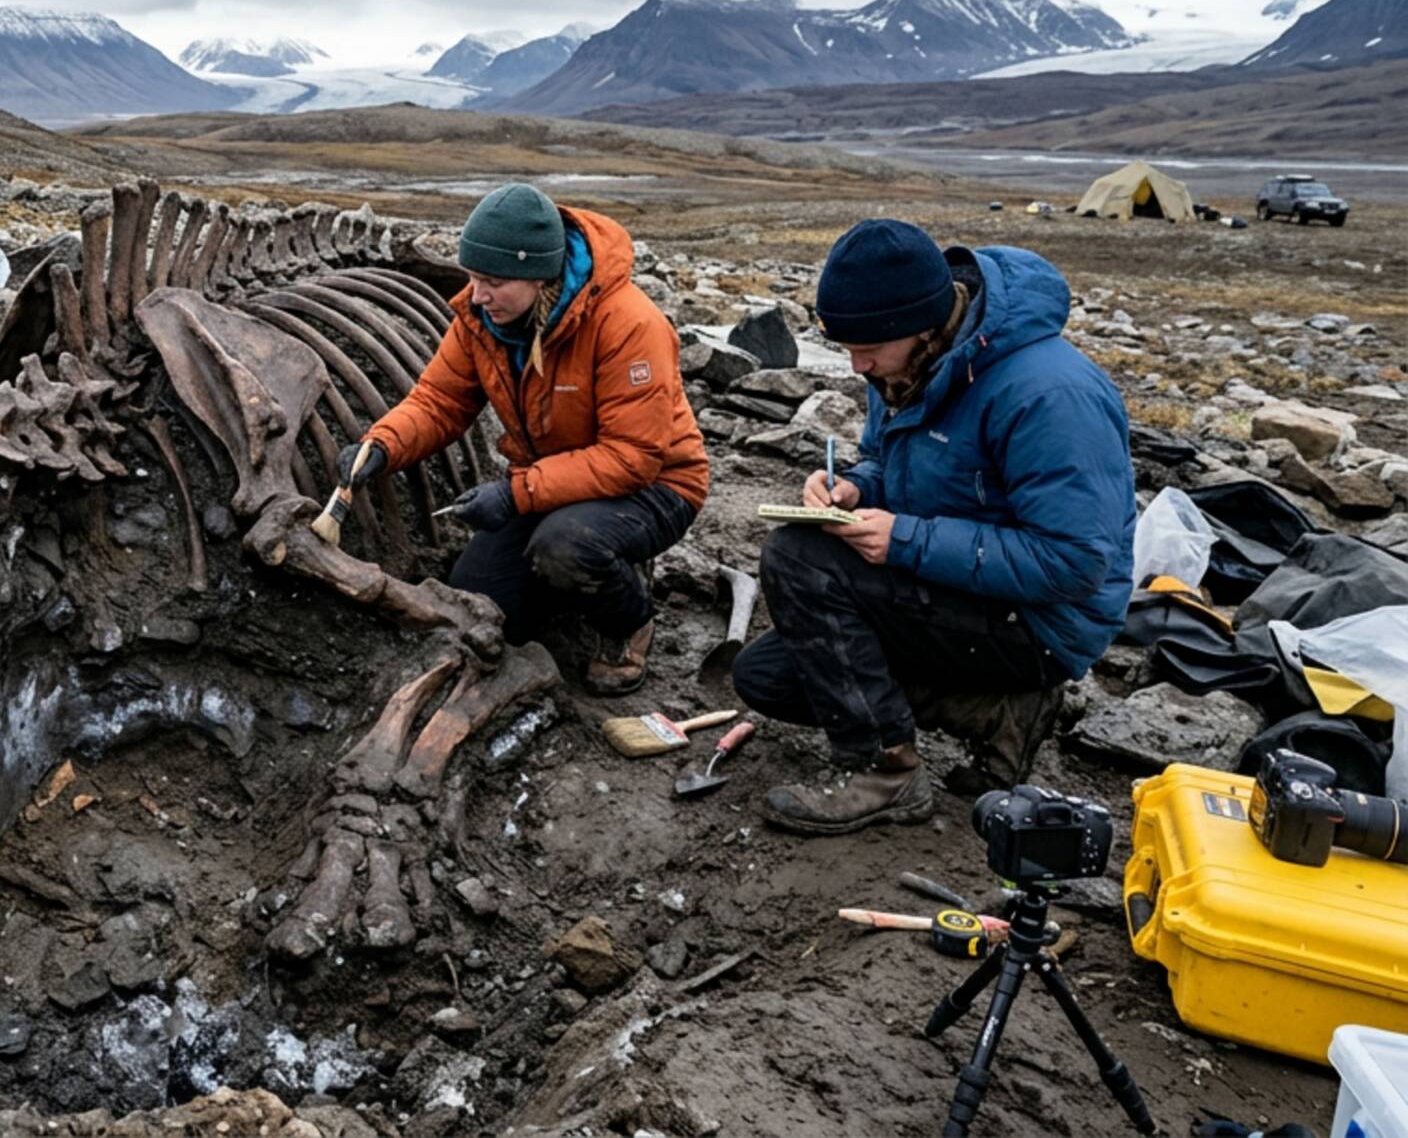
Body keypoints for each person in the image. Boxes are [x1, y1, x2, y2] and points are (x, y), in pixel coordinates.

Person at [732, 219, 1134, 835]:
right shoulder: (905, 364)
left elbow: (1073, 563)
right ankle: (1000, 713)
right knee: (769, 677)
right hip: (964, 590)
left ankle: (885, 771)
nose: (856, 364)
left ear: (924, 323)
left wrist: (904, 540)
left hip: (1043, 624)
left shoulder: (1050, 395)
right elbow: (888, 462)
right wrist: (857, 487)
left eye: (868, 346)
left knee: (799, 558)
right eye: (845, 345)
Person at [350, 184, 708, 692]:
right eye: (473, 278)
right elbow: (439, 401)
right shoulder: (483, 319)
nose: (477, 295)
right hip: (554, 482)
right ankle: (575, 582)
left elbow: (633, 458)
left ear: (539, 276)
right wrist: (382, 446)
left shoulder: (629, 324)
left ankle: (628, 621)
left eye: (493, 282)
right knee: (478, 602)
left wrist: (515, 494)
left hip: (655, 487)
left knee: (567, 546)